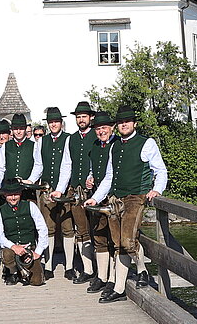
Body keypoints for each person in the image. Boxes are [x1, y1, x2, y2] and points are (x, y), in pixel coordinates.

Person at [86, 107, 168, 304]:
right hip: (116, 198)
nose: (124, 124)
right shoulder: (115, 146)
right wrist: (96, 198)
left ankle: (129, 279)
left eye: (128, 121)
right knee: (117, 242)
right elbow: (109, 176)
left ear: (134, 124)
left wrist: (157, 190)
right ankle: (128, 281)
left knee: (126, 241)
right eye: (121, 122)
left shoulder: (146, 143)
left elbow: (160, 170)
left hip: (136, 197)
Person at [57, 100, 97, 284]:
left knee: (99, 229)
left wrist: (91, 176)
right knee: (81, 230)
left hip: (95, 191)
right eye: (79, 117)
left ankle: (104, 270)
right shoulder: (70, 139)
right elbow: (66, 165)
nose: (81, 120)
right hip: (76, 190)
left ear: (91, 117)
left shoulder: (98, 136)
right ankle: (87, 268)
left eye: (84, 116)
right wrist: (60, 189)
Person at [83, 110, 117, 293]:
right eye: (98, 128)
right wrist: (90, 177)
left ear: (111, 127)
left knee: (115, 239)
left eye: (104, 127)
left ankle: (113, 278)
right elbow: (92, 168)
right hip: (97, 198)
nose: (101, 131)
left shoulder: (118, 144)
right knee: (99, 237)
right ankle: (101, 277)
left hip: (114, 198)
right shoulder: (95, 146)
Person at [0, 177, 50, 287]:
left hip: (29, 248)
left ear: (20, 193)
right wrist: (14, 247)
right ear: (5, 195)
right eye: (10, 195)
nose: (13, 197)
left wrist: (38, 252)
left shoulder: (31, 206)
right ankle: (12, 271)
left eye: (16, 194)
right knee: (6, 255)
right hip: (12, 248)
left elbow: (42, 229)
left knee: (37, 281)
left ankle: (23, 270)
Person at [38, 106, 74, 277]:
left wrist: (61, 188)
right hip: (47, 188)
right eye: (51, 122)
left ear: (61, 122)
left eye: (56, 121)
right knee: (48, 227)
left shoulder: (68, 139)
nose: (53, 124)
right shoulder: (41, 141)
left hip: (65, 189)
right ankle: (49, 265)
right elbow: (39, 165)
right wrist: (31, 180)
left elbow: (68, 166)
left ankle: (69, 266)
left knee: (67, 227)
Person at [0, 113, 42, 188]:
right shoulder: (5, 146)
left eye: (21, 128)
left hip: (27, 189)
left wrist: (31, 180)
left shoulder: (34, 146)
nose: (18, 131)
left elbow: (38, 165)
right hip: (9, 189)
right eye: (16, 128)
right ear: (12, 129)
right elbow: (0, 168)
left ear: (25, 129)